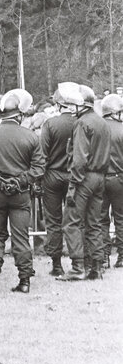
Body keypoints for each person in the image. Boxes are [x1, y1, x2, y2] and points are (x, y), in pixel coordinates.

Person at [0, 89, 44, 294]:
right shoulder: (30, 136)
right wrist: (18, 181)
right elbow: (38, 168)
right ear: (19, 115)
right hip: (20, 192)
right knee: (21, 236)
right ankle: (24, 281)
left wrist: (0, 181)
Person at [58, 85, 111, 281]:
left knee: (71, 222)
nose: (71, 109)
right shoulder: (101, 122)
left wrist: (74, 183)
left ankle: (77, 267)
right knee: (94, 223)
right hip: (100, 177)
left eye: (73, 105)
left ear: (81, 105)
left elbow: (79, 159)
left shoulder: (82, 124)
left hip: (84, 178)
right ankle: (96, 266)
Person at [40, 84, 77, 276]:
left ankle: (56, 264)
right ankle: (77, 260)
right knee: (75, 219)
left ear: (58, 104)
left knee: (53, 220)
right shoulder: (79, 122)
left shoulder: (50, 124)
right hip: (74, 175)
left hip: (52, 175)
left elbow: (42, 154)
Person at [100, 94, 123, 269]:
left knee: (101, 219)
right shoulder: (122, 129)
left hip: (100, 178)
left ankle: (104, 255)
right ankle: (122, 256)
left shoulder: (97, 128)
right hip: (119, 178)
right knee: (121, 218)